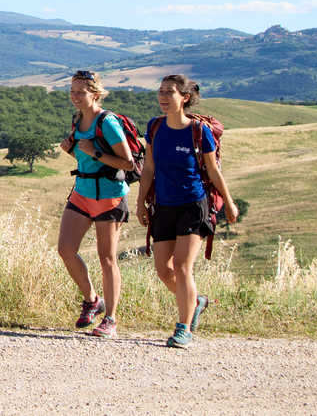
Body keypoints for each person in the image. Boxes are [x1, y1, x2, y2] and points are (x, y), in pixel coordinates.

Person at [136, 74, 239, 348]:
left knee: (182, 266)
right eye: (161, 91)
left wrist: (228, 202)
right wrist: (140, 201)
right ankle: (197, 302)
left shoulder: (198, 131)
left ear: (185, 98)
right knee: (162, 269)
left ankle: (183, 328)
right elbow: (148, 168)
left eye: (170, 92)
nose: (163, 96)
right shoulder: (155, 127)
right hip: (164, 205)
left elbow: (213, 170)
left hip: (193, 205)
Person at [57, 69, 134, 338]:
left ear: (96, 93)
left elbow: (128, 163)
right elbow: (85, 160)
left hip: (109, 195)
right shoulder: (78, 120)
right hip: (83, 192)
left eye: (81, 92)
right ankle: (92, 300)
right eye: (72, 91)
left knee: (107, 259)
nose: (75, 96)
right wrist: (72, 151)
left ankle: (110, 319)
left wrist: (96, 152)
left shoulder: (108, 123)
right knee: (66, 249)